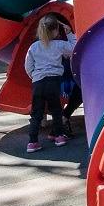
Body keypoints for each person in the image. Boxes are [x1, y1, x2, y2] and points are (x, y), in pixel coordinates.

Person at [24, 14, 75, 152]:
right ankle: (58, 136)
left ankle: (32, 142)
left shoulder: (33, 47)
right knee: (56, 110)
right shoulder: (59, 45)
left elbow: (28, 66)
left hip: (38, 83)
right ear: (55, 31)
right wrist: (69, 33)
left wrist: (33, 76)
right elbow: (74, 49)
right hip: (53, 81)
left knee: (36, 113)